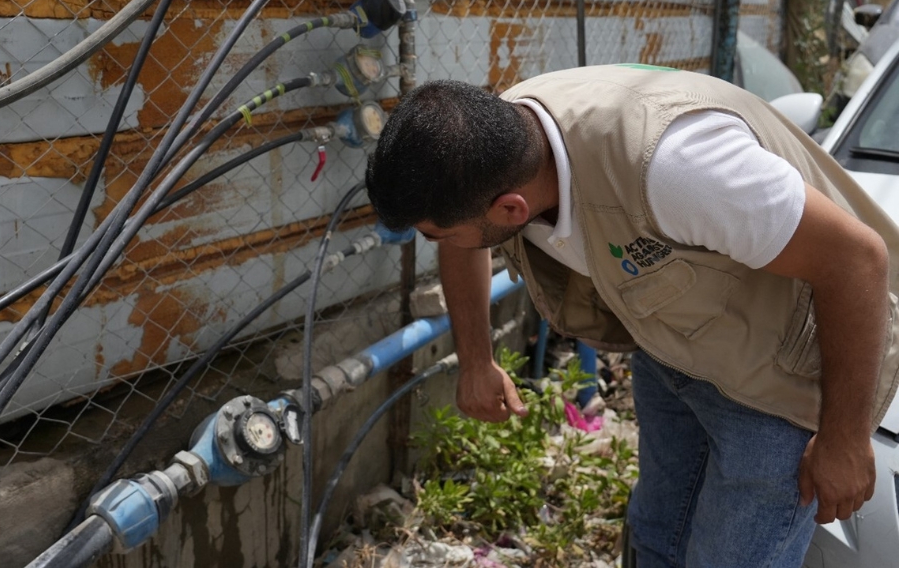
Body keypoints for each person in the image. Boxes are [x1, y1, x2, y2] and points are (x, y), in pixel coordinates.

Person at [364, 65, 899, 567]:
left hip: (777, 381)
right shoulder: (496, 148)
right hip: (672, 345)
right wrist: (477, 360)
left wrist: (845, 439)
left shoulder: (679, 167)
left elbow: (858, 259)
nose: (437, 245)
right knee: (655, 538)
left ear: (511, 211)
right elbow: (463, 240)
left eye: (436, 234)